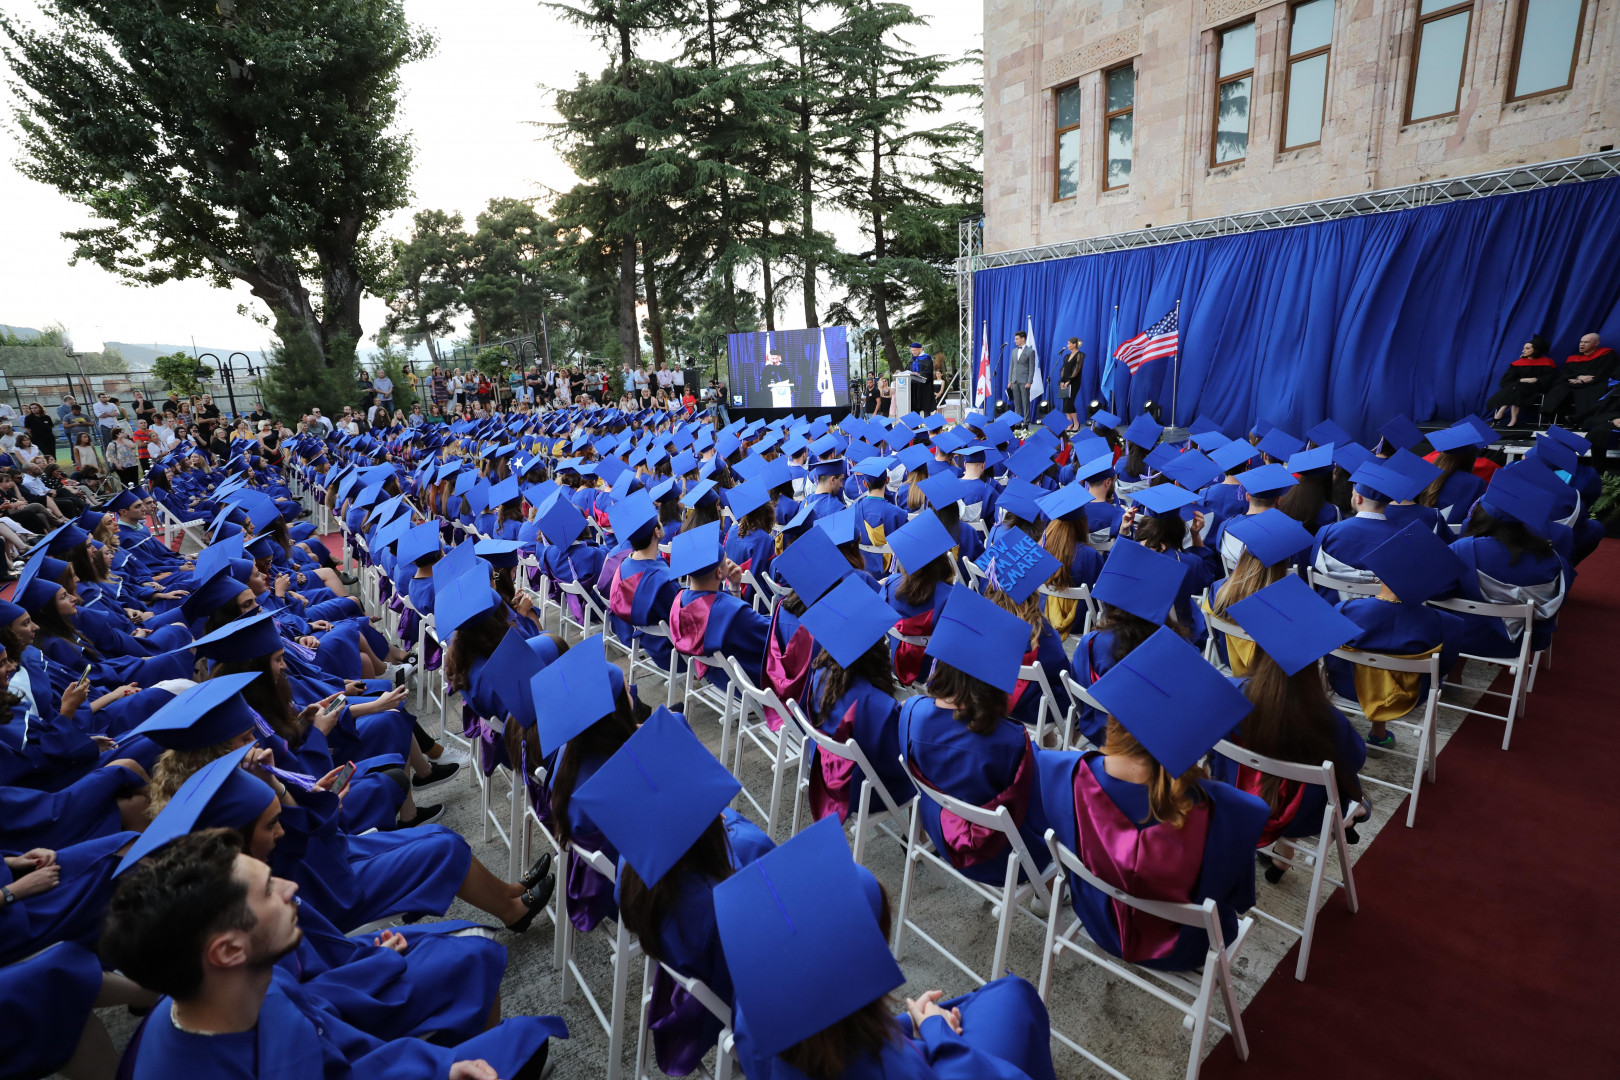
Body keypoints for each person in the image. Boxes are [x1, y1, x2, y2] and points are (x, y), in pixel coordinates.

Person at [102, 830, 565, 1080]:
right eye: (268, 890)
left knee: (521, 1040)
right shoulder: (184, 1062)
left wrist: (439, 1070)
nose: (289, 888)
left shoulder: (247, 986)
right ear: (226, 950)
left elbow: (346, 1052)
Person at [719, 818, 1059, 1080]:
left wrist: (912, 1024)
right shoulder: (892, 1067)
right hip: (937, 1062)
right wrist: (937, 1032)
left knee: (985, 1001)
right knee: (1014, 996)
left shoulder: (752, 1018)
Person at [1036, 625, 1268, 972]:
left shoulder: (1058, 771)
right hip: (1185, 946)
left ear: (1113, 719)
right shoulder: (1233, 812)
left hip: (1098, 918)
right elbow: (1239, 901)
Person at [574, 705, 775, 1078]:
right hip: (736, 998)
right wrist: (733, 827)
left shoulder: (633, 868)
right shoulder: (729, 894)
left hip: (682, 976)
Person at [896, 585, 1048, 886]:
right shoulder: (1012, 739)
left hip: (939, 830)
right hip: (1002, 859)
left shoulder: (912, 711)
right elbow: (1035, 804)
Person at [1542, 332, 1617, 423]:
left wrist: (1586, 380)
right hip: (1572, 382)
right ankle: (1558, 418)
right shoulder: (1573, 358)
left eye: (1586, 342)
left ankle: (1583, 420)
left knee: (1588, 391)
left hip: (1594, 382)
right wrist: (1578, 377)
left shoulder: (1607, 354)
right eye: (1581, 342)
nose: (1582, 344)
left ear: (1596, 343)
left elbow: (1606, 371)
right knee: (1559, 388)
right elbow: (1563, 375)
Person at [1487, 335, 1557, 427]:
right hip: (1519, 387)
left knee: (1517, 388)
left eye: (1527, 348)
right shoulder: (1519, 363)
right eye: (1524, 348)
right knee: (1518, 387)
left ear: (1535, 350)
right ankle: (1513, 419)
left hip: (1537, 387)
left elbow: (1549, 378)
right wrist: (1521, 380)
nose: (1523, 350)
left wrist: (1536, 379)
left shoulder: (1547, 362)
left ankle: (1503, 408)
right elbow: (1506, 379)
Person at [1007, 331, 1035, 423]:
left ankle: (1026, 422)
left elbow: (1032, 367)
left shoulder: (1030, 351)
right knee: (1017, 403)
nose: (1015, 340)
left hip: (1024, 380)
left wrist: (1029, 381)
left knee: (1025, 402)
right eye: (1015, 339)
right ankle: (1017, 422)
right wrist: (1010, 380)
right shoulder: (1014, 351)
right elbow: (1012, 366)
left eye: (1017, 338)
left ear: (1023, 339)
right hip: (1014, 380)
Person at [1058, 337, 1084, 433]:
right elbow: (1063, 369)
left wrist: (1070, 380)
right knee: (1065, 403)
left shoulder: (1080, 355)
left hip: (1074, 381)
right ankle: (1069, 423)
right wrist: (1062, 380)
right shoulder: (1066, 356)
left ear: (1074, 344)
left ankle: (1076, 423)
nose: (1067, 345)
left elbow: (1077, 368)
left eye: (1069, 343)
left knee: (1069, 402)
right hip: (1064, 381)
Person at [908, 342, 936, 416]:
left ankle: (927, 426)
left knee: (926, 407)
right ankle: (916, 426)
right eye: (912, 350)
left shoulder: (927, 358)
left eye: (915, 350)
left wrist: (919, 374)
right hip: (914, 387)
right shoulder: (912, 359)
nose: (913, 352)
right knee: (914, 408)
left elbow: (929, 371)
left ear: (920, 349)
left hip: (924, 387)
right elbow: (907, 369)